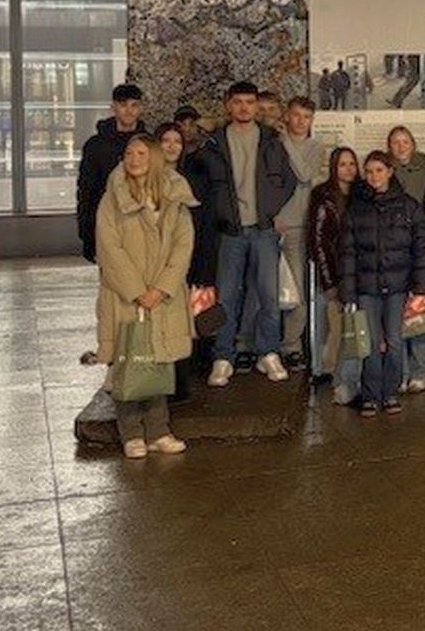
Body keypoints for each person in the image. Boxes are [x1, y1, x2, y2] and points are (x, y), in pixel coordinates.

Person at [94, 135, 194, 458]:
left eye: (141, 153)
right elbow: (109, 249)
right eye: (129, 153)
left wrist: (162, 287)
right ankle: (132, 433)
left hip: (161, 295)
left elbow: (183, 245)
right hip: (126, 296)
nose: (134, 159)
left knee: (157, 360)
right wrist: (137, 291)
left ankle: (159, 430)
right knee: (128, 360)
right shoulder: (112, 200)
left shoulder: (174, 197)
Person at [192, 81, 297, 388]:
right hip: (229, 232)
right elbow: (201, 185)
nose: (243, 108)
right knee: (226, 296)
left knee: (268, 297)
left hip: (263, 230)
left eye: (249, 102)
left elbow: (288, 180)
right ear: (228, 105)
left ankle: (268, 352)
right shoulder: (214, 143)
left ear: (256, 106)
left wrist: (271, 210)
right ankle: (223, 357)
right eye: (237, 102)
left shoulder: (270, 140)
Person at [340, 150, 425, 417]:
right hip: (366, 287)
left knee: (394, 341)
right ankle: (370, 395)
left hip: (398, 286)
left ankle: (390, 392)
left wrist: (421, 288)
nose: (374, 176)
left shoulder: (408, 206)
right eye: (369, 171)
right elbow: (347, 253)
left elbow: (421, 248)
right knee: (368, 343)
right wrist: (348, 293)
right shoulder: (356, 209)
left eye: (379, 170)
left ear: (390, 172)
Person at [156, 123, 212, 401]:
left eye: (176, 141)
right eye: (165, 140)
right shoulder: (147, 178)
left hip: (189, 259)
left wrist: (203, 263)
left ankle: (181, 381)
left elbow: (202, 221)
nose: (171, 146)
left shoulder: (191, 178)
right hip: (156, 264)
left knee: (184, 323)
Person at [274, 97, 325, 371]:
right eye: (296, 115)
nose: (300, 121)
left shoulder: (315, 146)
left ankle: (291, 346)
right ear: (287, 116)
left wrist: (285, 141)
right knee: (267, 290)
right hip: (273, 225)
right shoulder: (273, 144)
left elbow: (304, 174)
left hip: (299, 226)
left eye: (306, 117)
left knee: (297, 290)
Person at [388, 125, 425, 392]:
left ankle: (421, 371)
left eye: (405, 141)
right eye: (395, 142)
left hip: (419, 247)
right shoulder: (385, 172)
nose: (401, 146)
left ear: (413, 144)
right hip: (394, 250)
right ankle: (400, 372)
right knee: (396, 315)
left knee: (419, 314)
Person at [308, 147, 359, 401]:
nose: (348, 169)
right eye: (342, 164)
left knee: (357, 329)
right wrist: (328, 281)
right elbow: (318, 241)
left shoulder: (362, 193)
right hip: (336, 272)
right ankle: (336, 377)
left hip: (360, 272)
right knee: (339, 329)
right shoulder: (323, 195)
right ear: (333, 168)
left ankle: (352, 379)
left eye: (352, 164)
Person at [77, 83, 148, 263]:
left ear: (141, 108)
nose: (129, 111)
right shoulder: (96, 145)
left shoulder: (150, 144)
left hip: (142, 226)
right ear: (113, 107)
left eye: (134, 105)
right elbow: (86, 191)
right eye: (123, 105)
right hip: (107, 224)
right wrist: (87, 234)